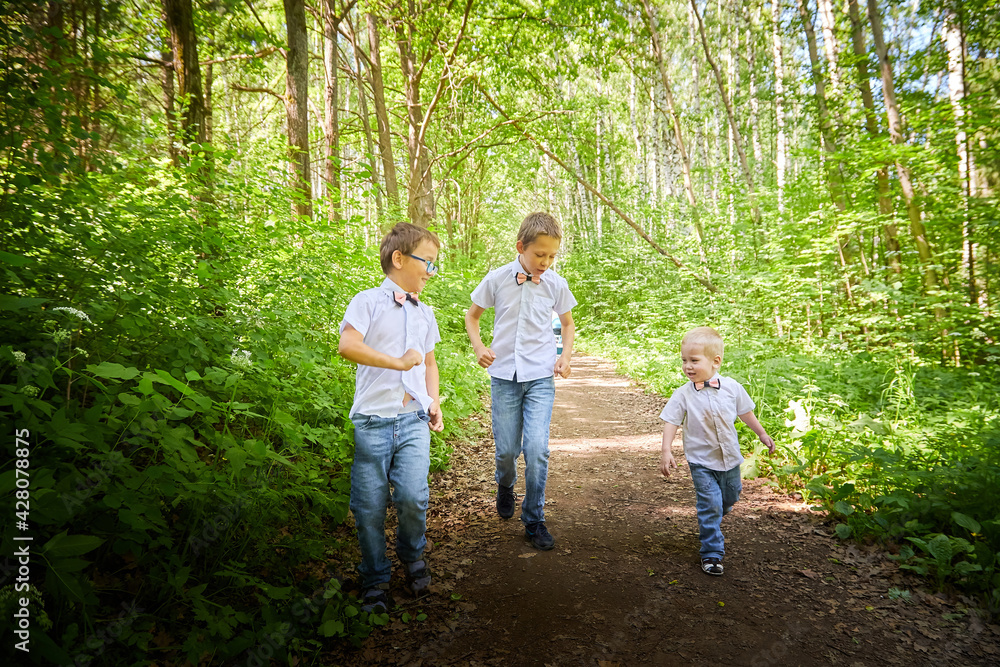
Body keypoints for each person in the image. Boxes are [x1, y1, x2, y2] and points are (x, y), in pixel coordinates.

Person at [338, 222, 444, 612]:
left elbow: (429, 363)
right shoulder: (367, 301)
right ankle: (375, 577)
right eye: (427, 262)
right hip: (373, 421)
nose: (431, 271)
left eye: (435, 264)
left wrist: (434, 401)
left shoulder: (425, 312)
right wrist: (397, 362)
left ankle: (412, 555)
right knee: (368, 505)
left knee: (415, 496)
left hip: (414, 418)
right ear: (399, 259)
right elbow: (348, 345)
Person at [465, 212, 576, 550]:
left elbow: (568, 325)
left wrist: (565, 356)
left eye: (552, 256)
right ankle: (505, 483)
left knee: (537, 449)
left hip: (541, 375)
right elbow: (472, 317)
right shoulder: (497, 278)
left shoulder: (555, 283)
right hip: (504, 378)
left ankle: (534, 519)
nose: (545, 262)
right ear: (520, 247)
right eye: (539, 254)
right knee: (507, 451)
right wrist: (479, 346)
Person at [659, 326, 775, 576]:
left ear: (716, 361)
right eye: (684, 361)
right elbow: (671, 421)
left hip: (730, 459)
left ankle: (718, 510)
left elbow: (746, 413)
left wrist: (762, 433)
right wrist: (666, 450)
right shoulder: (682, 395)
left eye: (694, 360)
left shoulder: (732, 387)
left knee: (731, 496)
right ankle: (712, 553)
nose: (687, 366)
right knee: (710, 504)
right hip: (701, 461)